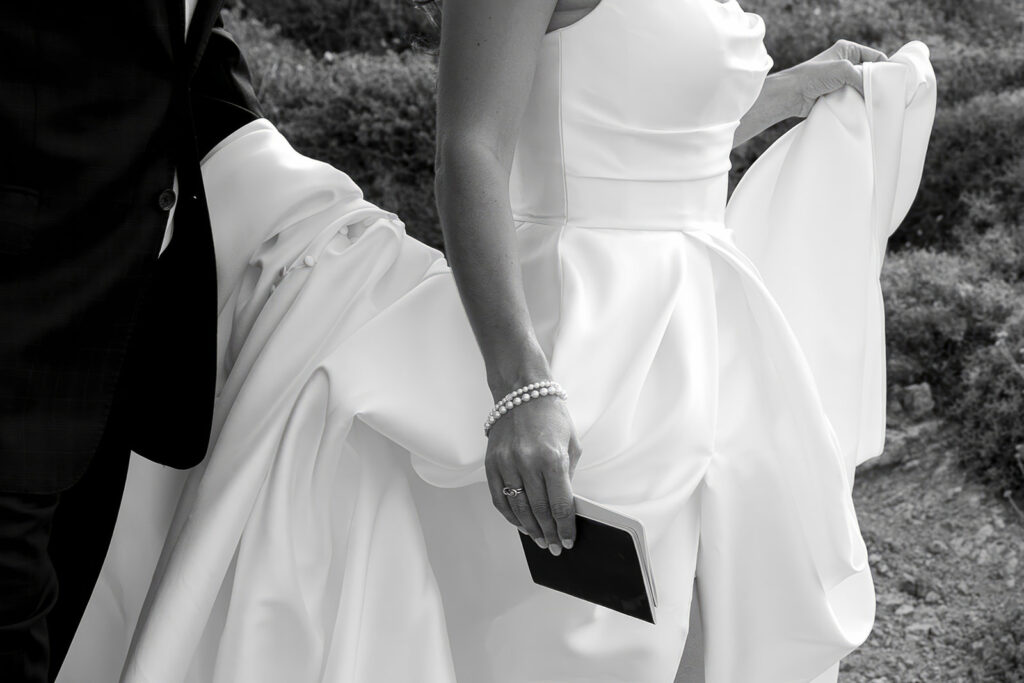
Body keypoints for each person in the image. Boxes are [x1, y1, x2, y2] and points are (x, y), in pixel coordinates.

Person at [59, 1, 935, 681]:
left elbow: (646, 128)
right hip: (571, 338)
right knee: (568, 638)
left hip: (700, 337)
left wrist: (794, 89)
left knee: (706, 623)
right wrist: (523, 387)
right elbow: (471, 151)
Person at [0, 2, 263, 680]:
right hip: (22, 295)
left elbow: (168, 42)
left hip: (121, 313)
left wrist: (267, 164)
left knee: (61, 622)